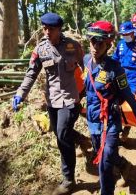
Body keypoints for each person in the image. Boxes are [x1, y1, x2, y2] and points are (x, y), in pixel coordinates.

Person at [12, 12, 88, 195]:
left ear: (59, 29)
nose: (46, 32)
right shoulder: (40, 49)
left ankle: (68, 181)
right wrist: (20, 94)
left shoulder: (73, 46)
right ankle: (84, 142)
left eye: (50, 29)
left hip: (70, 100)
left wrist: (89, 92)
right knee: (60, 133)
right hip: (52, 100)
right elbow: (31, 73)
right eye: (44, 28)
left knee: (62, 134)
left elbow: (87, 67)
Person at [83, 21, 136, 194]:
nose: (95, 47)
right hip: (93, 120)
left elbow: (129, 98)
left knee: (105, 160)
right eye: (93, 41)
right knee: (103, 152)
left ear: (108, 44)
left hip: (110, 120)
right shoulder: (85, 61)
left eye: (100, 43)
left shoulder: (115, 70)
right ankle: (124, 165)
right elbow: (83, 88)